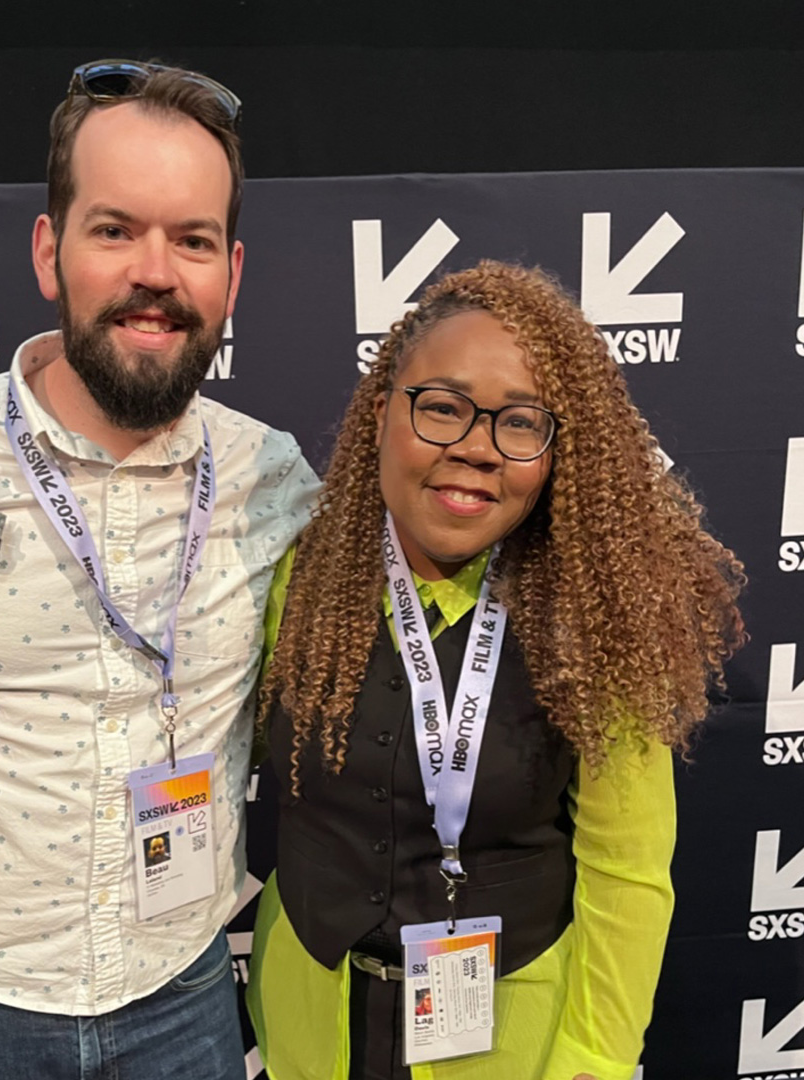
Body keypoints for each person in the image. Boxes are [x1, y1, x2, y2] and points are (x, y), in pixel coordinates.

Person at [0, 59, 318, 1080]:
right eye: (115, 230)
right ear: (50, 250)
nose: (155, 272)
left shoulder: (274, 478)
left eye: (193, 241)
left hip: (188, 998)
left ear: (232, 275)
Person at [247, 261, 745, 1080]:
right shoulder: (295, 579)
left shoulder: (598, 621)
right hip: (311, 1025)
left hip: (509, 1046)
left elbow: (628, 874)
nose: (476, 448)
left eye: (519, 423)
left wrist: (595, 1057)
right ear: (382, 417)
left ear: (555, 451)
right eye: (442, 408)